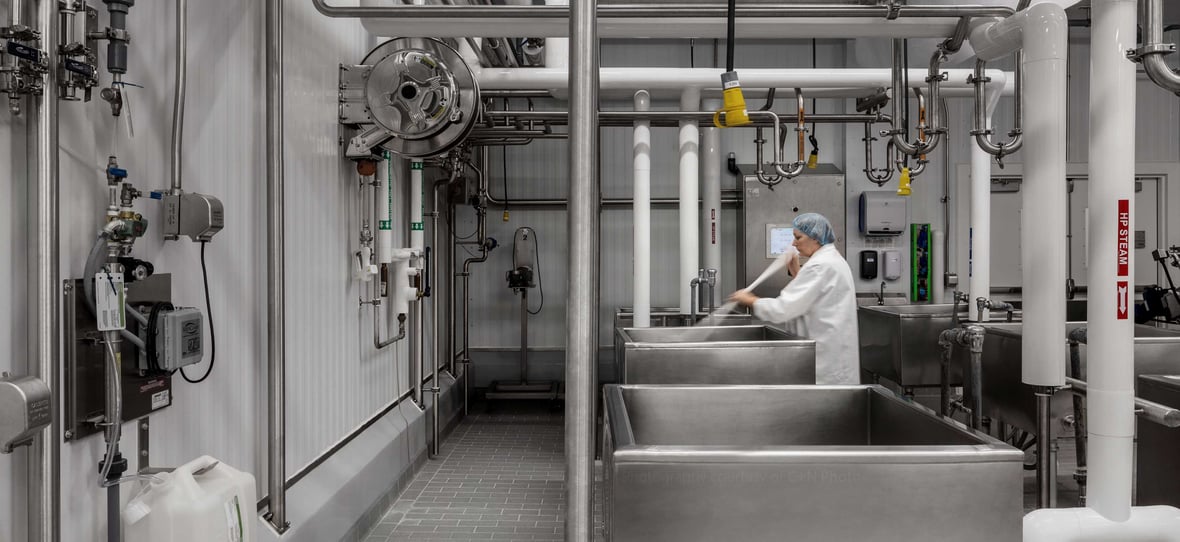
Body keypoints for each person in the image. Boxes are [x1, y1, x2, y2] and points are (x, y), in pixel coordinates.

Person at [729, 213, 860, 385]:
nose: (793, 243)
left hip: (825, 362)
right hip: (831, 355)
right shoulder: (831, 261)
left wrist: (750, 299)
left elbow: (783, 310)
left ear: (816, 238)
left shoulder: (819, 266)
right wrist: (797, 273)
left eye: (798, 237)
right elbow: (815, 298)